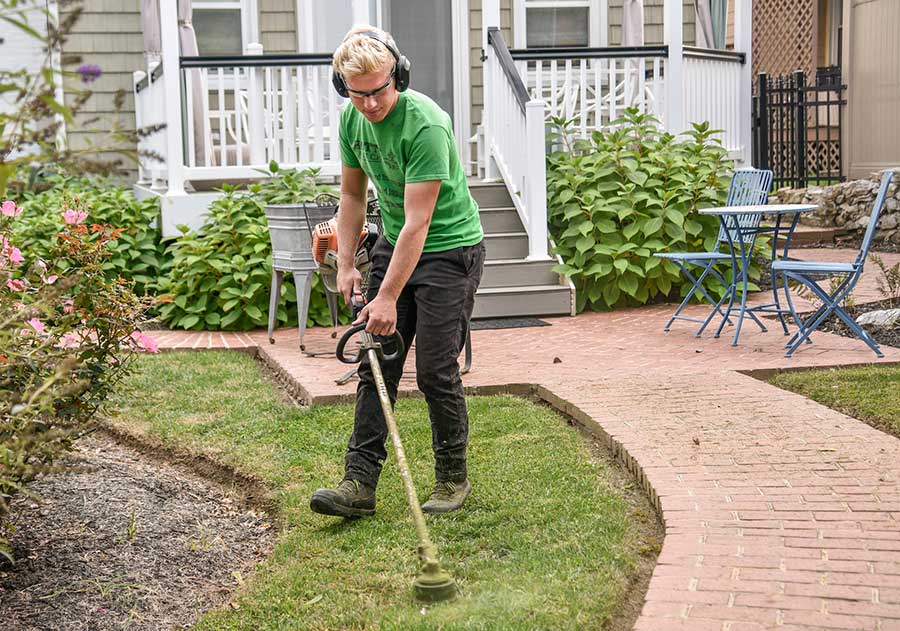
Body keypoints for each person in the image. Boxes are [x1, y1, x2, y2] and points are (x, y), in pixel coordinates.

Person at [309, 25, 485, 518]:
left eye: (378, 90)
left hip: (449, 250)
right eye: (356, 93)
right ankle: (358, 484)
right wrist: (345, 264)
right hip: (395, 242)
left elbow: (419, 222)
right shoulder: (353, 120)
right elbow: (350, 195)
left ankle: (452, 479)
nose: (368, 104)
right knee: (375, 362)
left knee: (433, 368)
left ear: (398, 76)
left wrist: (386, 298)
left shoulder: (425, 124)